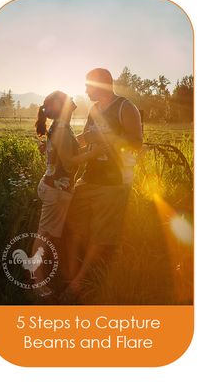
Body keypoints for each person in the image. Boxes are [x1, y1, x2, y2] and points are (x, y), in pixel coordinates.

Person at [64, 68, 143, 298]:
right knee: (72, 224)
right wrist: (58, 145)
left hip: (114, 182)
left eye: (89, 85)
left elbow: (136, 143)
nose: (86, 90)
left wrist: (107, 139)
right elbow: (86, 137)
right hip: (88, 177)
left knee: (101, 236)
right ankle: (70, 275)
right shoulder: (95, 109)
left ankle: (78, 284)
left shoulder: (125, 108)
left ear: (102, 86)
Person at [32, 91, 107, 298]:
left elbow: (66, 150)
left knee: (52, 236)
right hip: (55, 191)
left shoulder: (62, 128)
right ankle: (37, 281)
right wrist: (97, 150)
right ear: (62, 106)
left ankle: (53, 276)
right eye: (69, 98)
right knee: (43, 236)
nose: (73, 100)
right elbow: (69, 161)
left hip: (57, 189)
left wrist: (89, 139)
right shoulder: (62, 129)